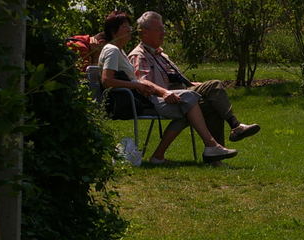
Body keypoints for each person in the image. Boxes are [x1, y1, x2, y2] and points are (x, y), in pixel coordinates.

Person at [97, 11, 236, 165]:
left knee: (191, 108)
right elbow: (106, 80)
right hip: (139, 100)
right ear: (113, 30)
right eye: (125, 26)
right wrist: (137, 85)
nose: (130, 29)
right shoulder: (112, 50)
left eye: (129, 26)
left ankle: (160, 156)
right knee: (188, 101)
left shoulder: (119, 51)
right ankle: (213, 145)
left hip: (142, 96)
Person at [128, 11, 260, 146]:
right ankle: (235, 126)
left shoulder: (160, 55)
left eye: (164, 29)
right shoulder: (139, 56)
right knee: (214, 85)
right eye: (159, 29)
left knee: (212, 102)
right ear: (144, 32)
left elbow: (175, 78)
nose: (164, 33)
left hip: (182, 94)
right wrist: (164, 92)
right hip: (165, 100)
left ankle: (216, 155)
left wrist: (194, 84)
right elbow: (143, 82)